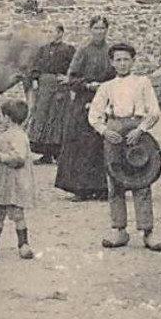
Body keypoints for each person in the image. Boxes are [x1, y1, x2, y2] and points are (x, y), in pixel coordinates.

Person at [89, 42, 161, 252]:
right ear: (112, 63)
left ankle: (147, 231)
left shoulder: (142, 82)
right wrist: (105, 130)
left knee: (142, 180)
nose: (122, 63)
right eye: (118, 60)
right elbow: (94, 114)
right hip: (114, 133)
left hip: (136, 133)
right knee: (115, 183)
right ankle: (119, 230)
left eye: (126, 59)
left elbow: (154, 111)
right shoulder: (107, 87)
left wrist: (140, 129)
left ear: (133, 61)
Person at [55, 15, 114, 200]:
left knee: (101, 143)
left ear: (106, 30)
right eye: (96, 28)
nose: (99, 32)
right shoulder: (83, 51)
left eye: (102, 28)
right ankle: (80, 188)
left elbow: (117, 76)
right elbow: (71, 78)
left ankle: (103, 188)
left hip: (106, 101)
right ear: (91, 30)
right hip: (84, 101)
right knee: (81, 143)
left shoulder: (111, 51)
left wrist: (105, 87)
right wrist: (87, 85)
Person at [0, 98, 35, 259]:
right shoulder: (8, 134)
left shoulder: (19, 136)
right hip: (2, 182)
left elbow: (19, 158)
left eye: (2, 115)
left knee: (17, 214)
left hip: (14, 182)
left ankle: (23, 244)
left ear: (7, 117)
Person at [25, 24, 75, 164]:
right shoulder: (43, 50)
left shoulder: (68, 50)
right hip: (44, 87)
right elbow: (35, 67)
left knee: (57, 118)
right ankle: (45, 154)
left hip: (59, 87)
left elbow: (75, 68)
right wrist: (35, 81)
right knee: (43, 117)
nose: (48, 34)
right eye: (46, 31)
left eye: (51, 31)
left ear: (60, 33)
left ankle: (59, 154)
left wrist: (68, 80)